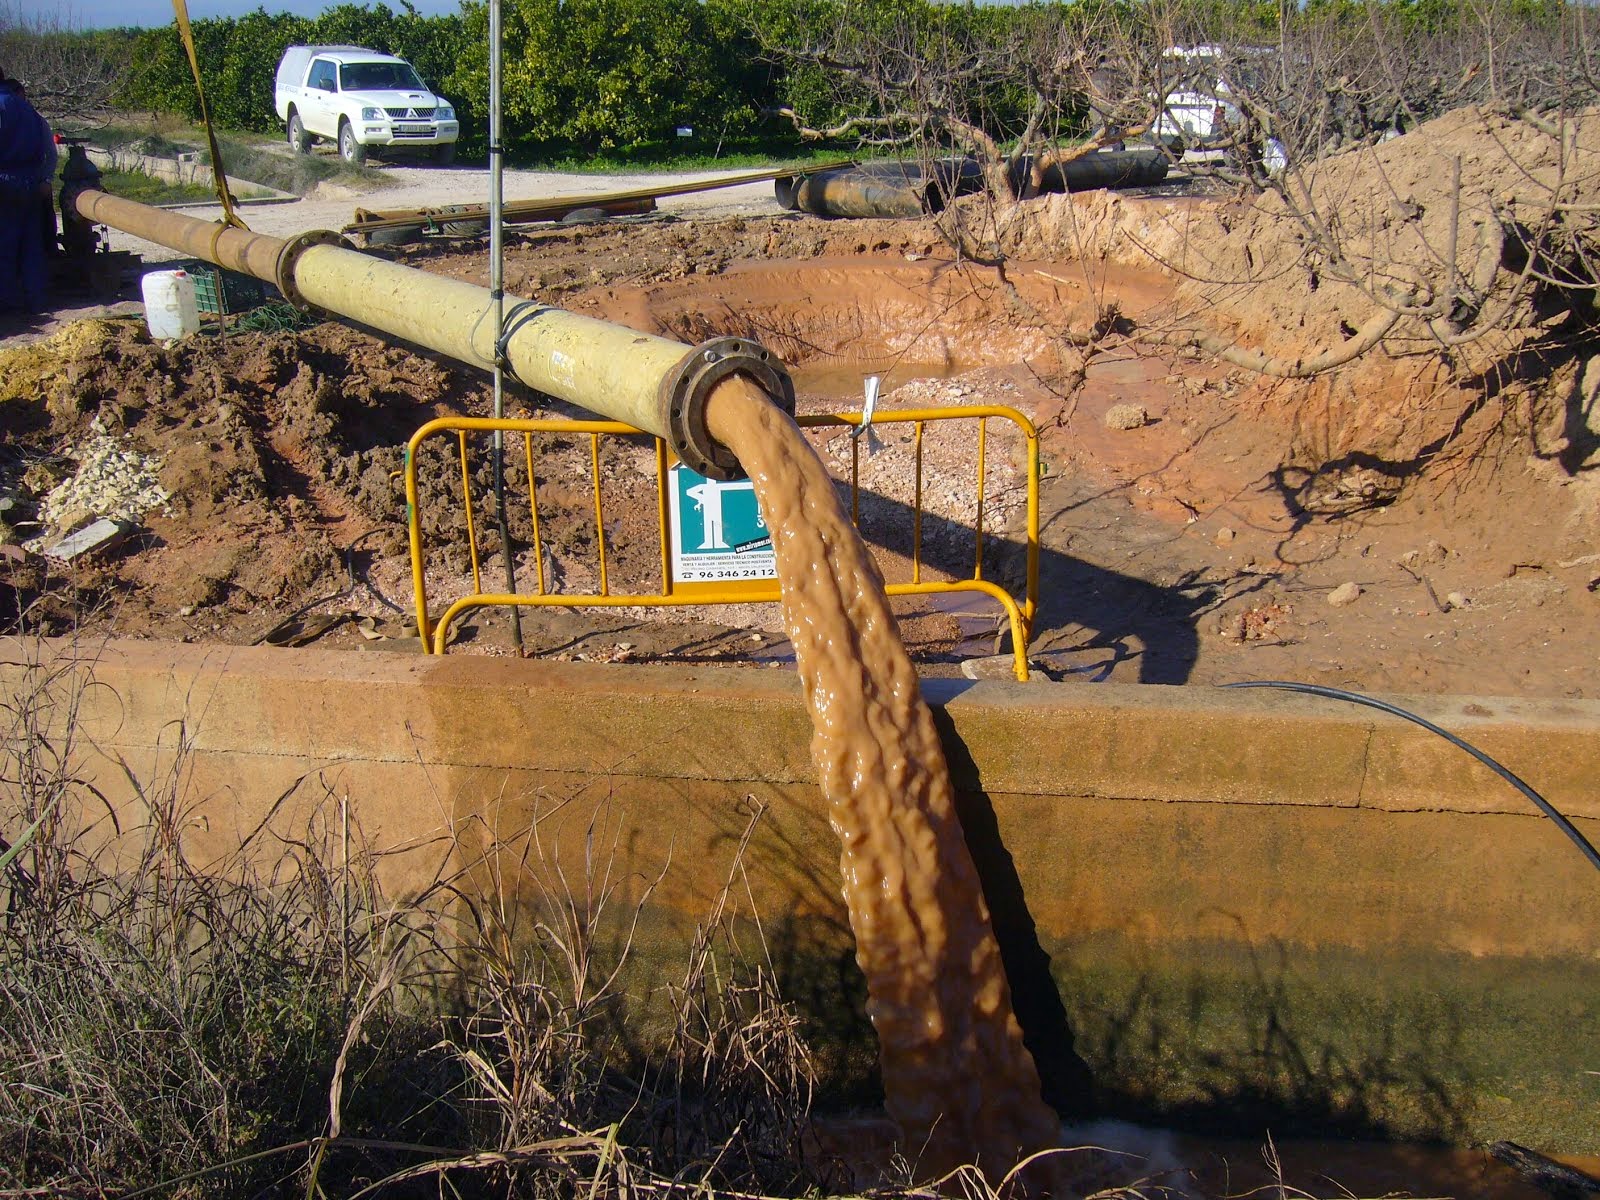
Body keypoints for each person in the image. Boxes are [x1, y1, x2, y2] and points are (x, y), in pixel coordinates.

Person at [0, 66, 57, 315]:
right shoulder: (28, 109)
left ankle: (9, 303)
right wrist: (43, 178)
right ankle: (37, 300)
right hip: (31, 181)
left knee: (5, 246)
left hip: (5, 180)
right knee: (31, 245)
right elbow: (47, 149)